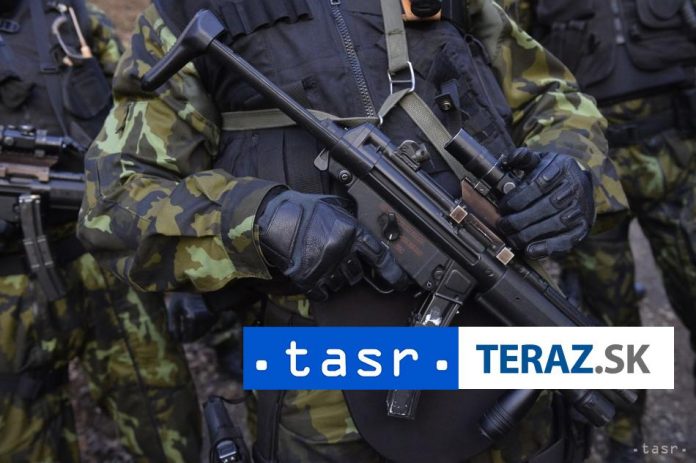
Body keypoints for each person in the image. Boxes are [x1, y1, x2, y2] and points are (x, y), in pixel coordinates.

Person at [77, 0, 628, 461]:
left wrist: (570, 169)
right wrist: (260, 221)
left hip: (505, 324)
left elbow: (554, 97)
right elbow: (114, 202)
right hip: (321, 369)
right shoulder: (188, 13)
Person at [0, 1, 201, 461]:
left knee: (166, 424)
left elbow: (143, 117)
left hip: (102, 260)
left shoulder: (71, 18)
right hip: (8, 290)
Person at [498, 0, 696, 460]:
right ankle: (625, 429)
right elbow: (508, 49)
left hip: (681, 155)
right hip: (589, 166)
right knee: (608, 311)